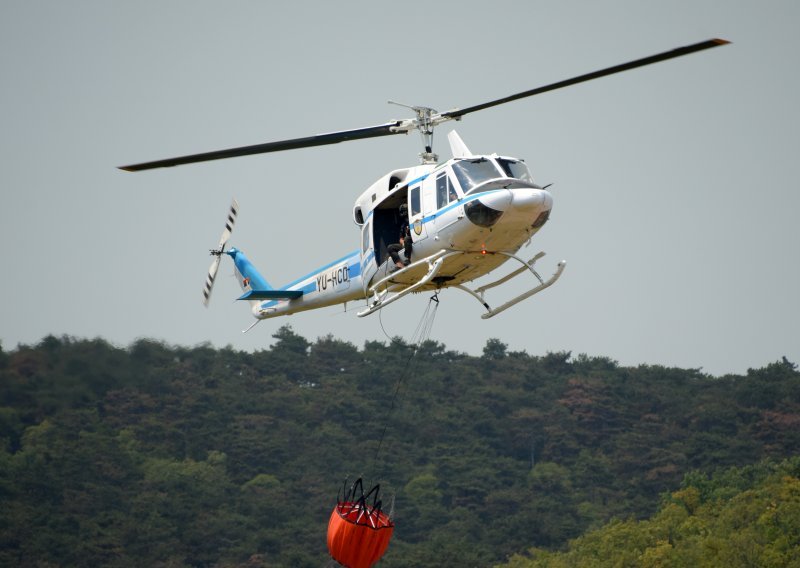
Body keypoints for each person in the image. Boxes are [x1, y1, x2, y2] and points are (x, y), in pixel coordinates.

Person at [387, 203, 412, 271]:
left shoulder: (414, 220)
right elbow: (401, 239)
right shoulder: (403, 225)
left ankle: (408, 259)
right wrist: (403, 243)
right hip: (406, 243)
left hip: (412, 241)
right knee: (390, 247)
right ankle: (400, 265)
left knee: (407, 239)